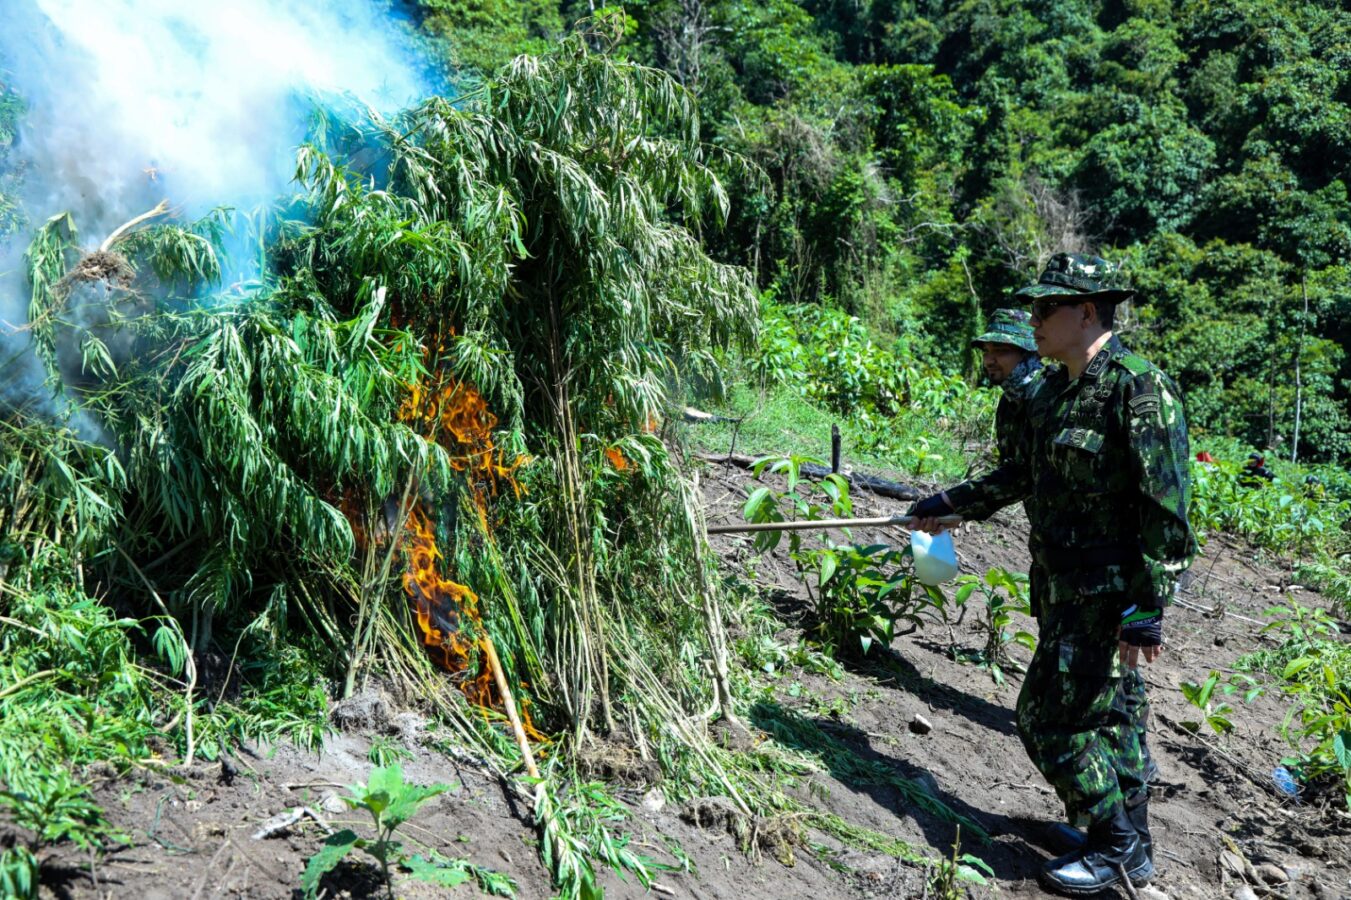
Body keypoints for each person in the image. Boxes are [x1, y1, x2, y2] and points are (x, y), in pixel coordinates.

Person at [910, 253, 1197, 896]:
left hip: (1109, 596)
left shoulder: (1137, 387)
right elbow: (1021, 475)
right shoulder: (1058, 391)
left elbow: (1168, 509)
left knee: (1049, 720)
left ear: (1086, 311)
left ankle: (1112, 843)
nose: (1032, 321)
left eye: (1046, 309)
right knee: (1113, 720)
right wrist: (951, 504)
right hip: (1063, 587)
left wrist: (1148, 605)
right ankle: (1132, 847)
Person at [973, 308, 1042, 464]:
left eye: (1001, 351)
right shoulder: (1008, 402)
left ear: (1028, 353)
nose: (989, 361)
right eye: (986, 351)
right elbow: (1012, 472)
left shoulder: (1049, 395)